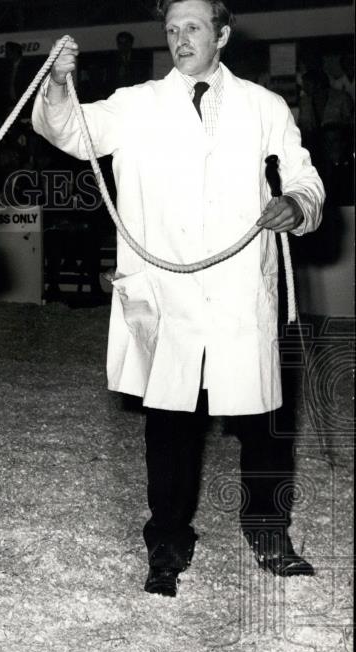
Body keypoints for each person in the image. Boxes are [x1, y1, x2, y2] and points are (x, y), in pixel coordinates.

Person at [32, 0, 324, 597]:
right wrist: (59, 81)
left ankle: (269, 530)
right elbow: (67, 130)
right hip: (165, 292)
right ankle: (167, 539)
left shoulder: (265, 106)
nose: (180, 38)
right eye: (172, 29)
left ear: (222, 34)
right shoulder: (136, 104)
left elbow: (304, 176)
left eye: (192, 27)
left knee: (265, 420)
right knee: (168, 423)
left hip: (242, 287)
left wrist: (296, 204)